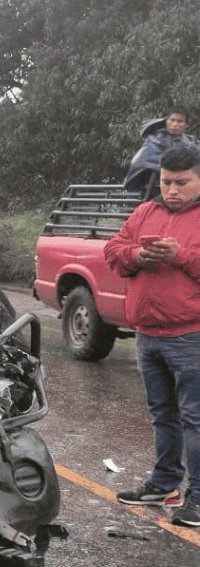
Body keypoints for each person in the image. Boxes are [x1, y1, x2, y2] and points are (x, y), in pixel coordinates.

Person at [105, 144, 200, 528]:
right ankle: (164, 485)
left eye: (182, 182)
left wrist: (180, 255)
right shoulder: (146, 211)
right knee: (163, 415)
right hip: (148, 333)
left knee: (195, 418)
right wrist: (136, 257)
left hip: (191, 334)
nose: (172, 189)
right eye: (166, 181)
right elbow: (113, 249)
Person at [125, 110, 200, 199]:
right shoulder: (155, 140)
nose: (175, 124)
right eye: (172, 120)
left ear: (186, 125)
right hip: (157, 188)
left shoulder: (192, 141)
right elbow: (145, 161)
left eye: (179, 121)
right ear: (166, 121)